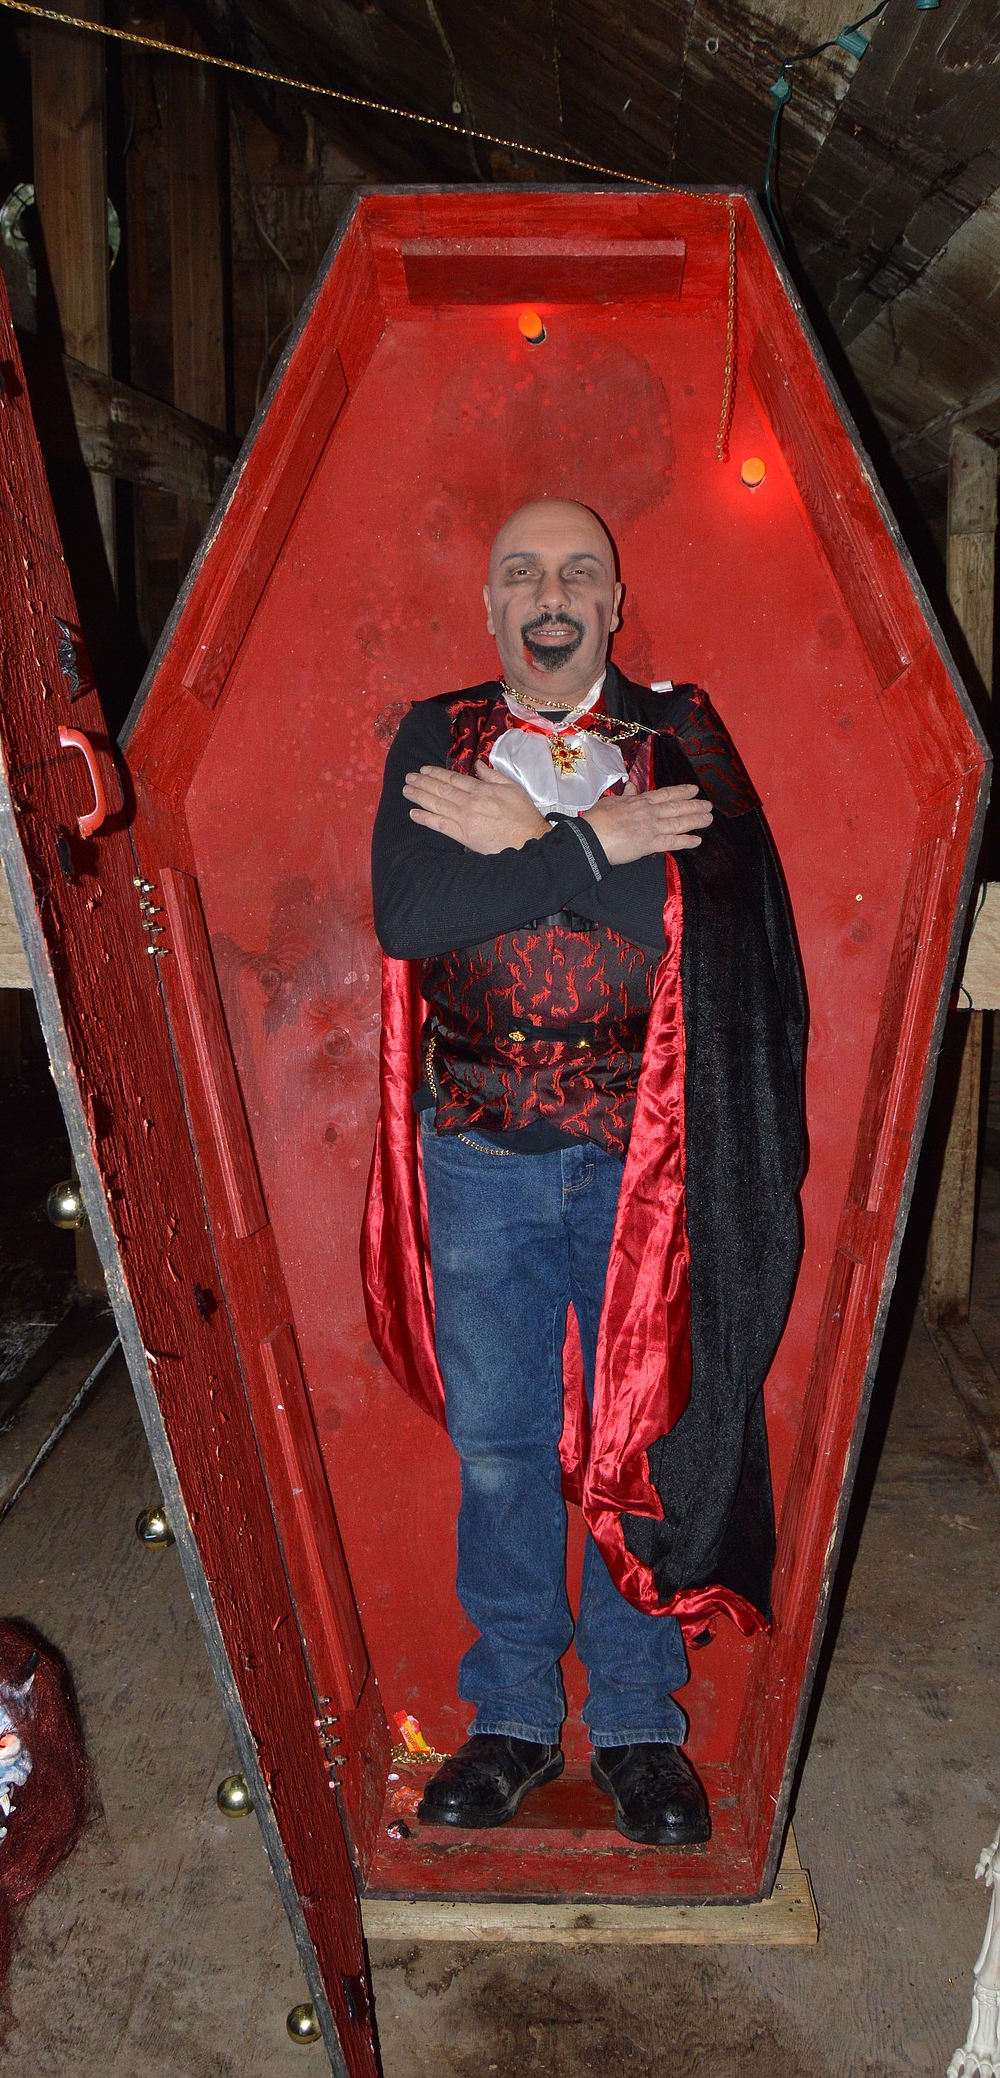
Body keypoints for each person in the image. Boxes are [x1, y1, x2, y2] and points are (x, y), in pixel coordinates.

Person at [364, 498, 805, 1845]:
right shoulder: (431, 737)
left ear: (614, 601)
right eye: (519, 574)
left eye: (573, 573)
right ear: (489, 604)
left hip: (644, 1171)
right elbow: (412, 913)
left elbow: (705, 933)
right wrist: (596, 846)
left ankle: (632, 1727)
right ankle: (505, 1718)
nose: (546, 594)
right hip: (480, 1159)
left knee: (644, 1452)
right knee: (499, 1457)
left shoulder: (679, 739)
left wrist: (519, 849)